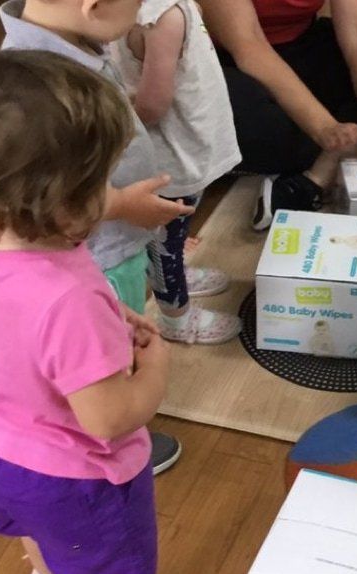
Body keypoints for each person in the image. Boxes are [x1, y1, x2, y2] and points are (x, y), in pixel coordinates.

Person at [0, 50, 172, 574]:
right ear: (61, 203)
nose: (109, 197)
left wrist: (101, 329)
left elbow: (14, 332)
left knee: (45, 536)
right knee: (84, 561)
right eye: (100, 186)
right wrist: (157, 367)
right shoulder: (68, 298)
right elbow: (109, 418)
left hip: (1, 450)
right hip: (74, 473)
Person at [0, 0, 187, 474]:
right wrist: (156, 368)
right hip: (87, 479)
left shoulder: (19, 74)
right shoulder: (40, 90)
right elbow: (107, 413)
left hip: (12, 461)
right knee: (104, 366)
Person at [201, 0, 357, 229]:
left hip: (305, 46)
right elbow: (250, 47)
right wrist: (325, 129)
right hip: (230, 62)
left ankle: (327, 164)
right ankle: (346, 151)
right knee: (220, 110)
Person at [113, 0, 243, 344]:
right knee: (165, 240)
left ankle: (174, 277)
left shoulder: (165, 9)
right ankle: (176, 317)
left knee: (173, 233)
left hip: (181, 147)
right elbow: (152, 105)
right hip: (172, 154)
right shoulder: (163, 15)